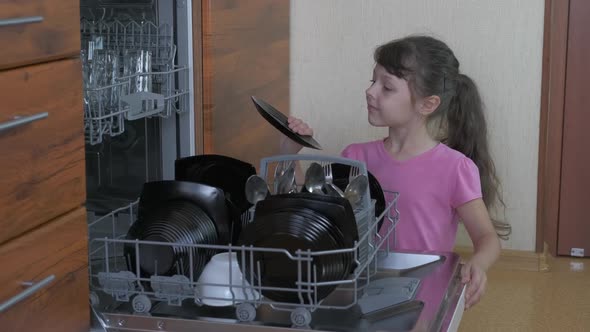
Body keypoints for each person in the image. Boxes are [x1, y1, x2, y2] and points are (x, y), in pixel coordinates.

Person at [281, 35, 511, 310]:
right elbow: (311, 212)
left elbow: (487, 238)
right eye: (372, 81)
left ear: (427, 104)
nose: (371, 91)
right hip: (358, 297)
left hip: (421, 302)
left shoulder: (455, 168)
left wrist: (478, 263)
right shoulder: (355, 157)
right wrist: (291, 152)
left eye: (386, 87)